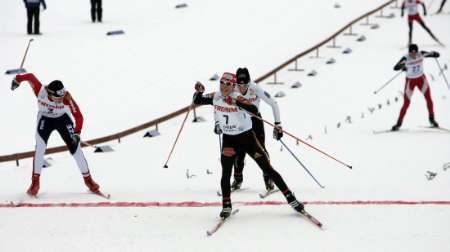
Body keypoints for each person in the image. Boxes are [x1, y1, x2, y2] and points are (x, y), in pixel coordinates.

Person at [193, 72, 304, 219]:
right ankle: (226, 205)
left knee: (267, 168)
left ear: (234, 86)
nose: (224, 87)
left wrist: (236, 103)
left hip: (247, 139)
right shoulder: (216, 96)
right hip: (229, 140)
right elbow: (198, 100)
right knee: (225, 173)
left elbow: (254, 109)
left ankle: (291, 199)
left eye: (228, 84)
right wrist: (199, 91)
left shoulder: (237, 97)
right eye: (222, 83)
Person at [11, 72, 101, 196]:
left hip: (62, 120)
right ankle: (35, 183)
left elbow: (79, 116)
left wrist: (77, 132)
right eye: (58, 98)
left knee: (76, 148)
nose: (60, 100)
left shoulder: (67, 98)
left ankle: (88, 180)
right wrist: (17, 79)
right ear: (49, 93)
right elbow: (30, 76)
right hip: (45, 119)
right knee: (40, 149)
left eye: (61, 97)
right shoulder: (40, 91)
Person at [228, 67, 282, 192]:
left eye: (245, 85)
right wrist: (219, 123)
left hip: (255, 120)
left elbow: (273, 103)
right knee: (238, 152)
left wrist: (277, 124)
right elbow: (219, 104)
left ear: (249, 82)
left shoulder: (255, 88)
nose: (241, 88)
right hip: (239, 122)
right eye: (239, 85)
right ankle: (237, 180)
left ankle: (268, 179)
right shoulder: (232, 89)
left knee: (261, 150)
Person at [391, 44, 440, 131]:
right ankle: (398, 123)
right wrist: (402, 66)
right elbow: (395, 67)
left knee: (429, 98)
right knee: (406, 103)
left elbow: (432, 54)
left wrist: (435, 54)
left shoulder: (421, 54)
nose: (413, 54)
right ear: (409, 52)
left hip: (421, 79)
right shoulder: (405, 58)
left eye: (415, 52)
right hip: (410, 82)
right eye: (411, 52)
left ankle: (432, 119)